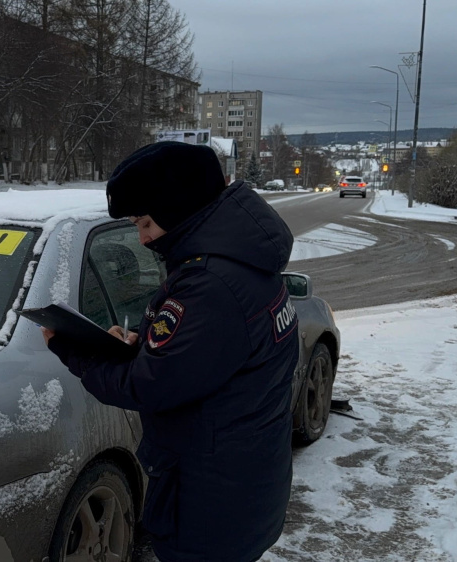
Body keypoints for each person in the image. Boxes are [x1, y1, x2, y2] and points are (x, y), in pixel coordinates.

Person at [42, 141, 299, 561]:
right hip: (243, 486)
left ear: (178, 208)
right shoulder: (243, 266)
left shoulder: (210, 286)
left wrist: (72, 348)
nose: (141, 240)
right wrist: (141, 347)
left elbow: (150, 386)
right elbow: (210, 364)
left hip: (207, 504)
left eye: (144, 224)